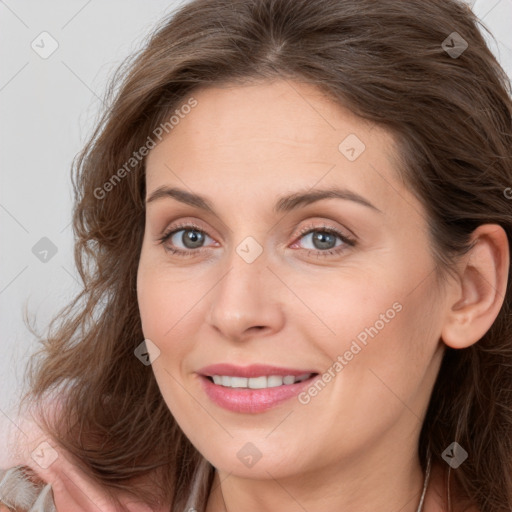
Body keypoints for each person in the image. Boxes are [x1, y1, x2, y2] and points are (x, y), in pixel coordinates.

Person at [1, 0, 511, 510]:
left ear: (470, 288)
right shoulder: (38, 493)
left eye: (321, 239)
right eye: (190, 237)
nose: (236, 312)